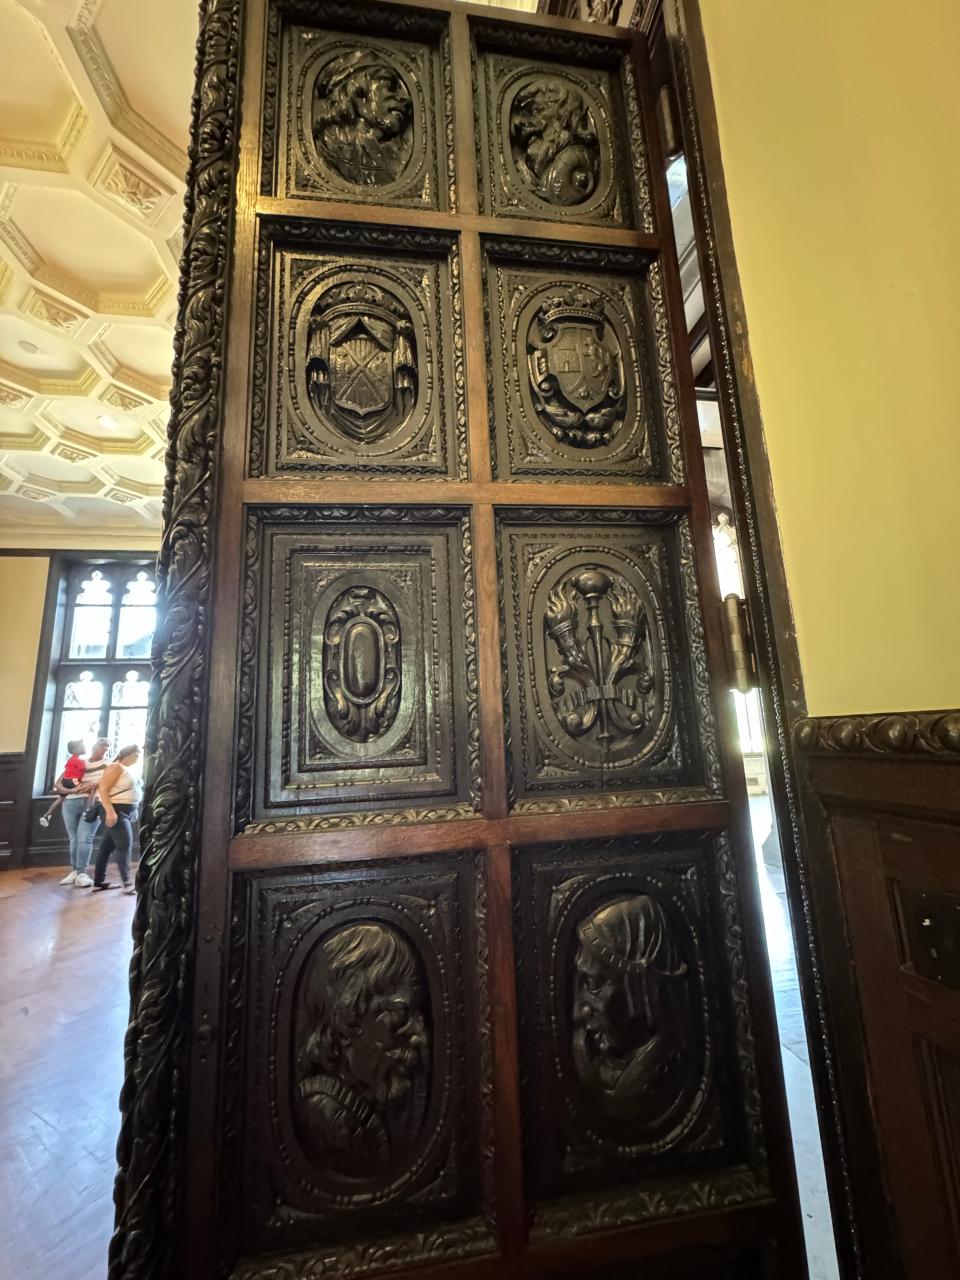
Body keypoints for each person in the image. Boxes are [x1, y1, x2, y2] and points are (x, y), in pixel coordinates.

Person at [90, 744, 142, 895]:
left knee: (106, 847)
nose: (138, 757)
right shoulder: (115, 767)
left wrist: (134, 809)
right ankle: (127, 882)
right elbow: (103, 789)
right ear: (129, 754)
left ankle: (98, 882)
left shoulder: (129, 770)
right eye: (137, 754)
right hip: (115, 810)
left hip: (125, 811)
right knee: (125, 844)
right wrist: (110, 812)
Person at [58, 736, 110, 888]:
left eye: (108, 747)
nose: (106, 748)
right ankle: (74, 871)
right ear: (94, 746)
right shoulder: (80, 762)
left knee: (85, 838)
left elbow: (108, 783)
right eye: (103, 745)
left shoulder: (110, 764)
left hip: (93, 804)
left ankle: (82, 873)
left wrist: (93, 785)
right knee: (74, 838)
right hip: (70, 802)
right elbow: (59, 784)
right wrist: (74, 789)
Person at [43, 740, 86, 827]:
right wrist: (72, 790)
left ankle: (47, 814)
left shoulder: (73, 761)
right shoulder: (77, 762)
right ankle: (47, 814)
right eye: (81, 746)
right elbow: (58, 784)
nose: (84, 747)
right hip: (73, 788)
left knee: (61, 798)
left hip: (71, 788)